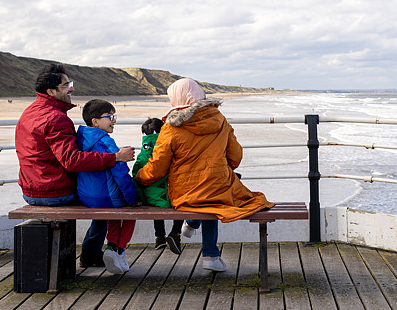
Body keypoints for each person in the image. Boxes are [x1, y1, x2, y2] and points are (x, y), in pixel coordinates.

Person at [135, 78, 273, 272]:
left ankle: (192, 224)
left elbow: (157, 168)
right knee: (214, 197)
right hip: (216, 187)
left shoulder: (170, 128)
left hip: (184, 193)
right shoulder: (220, 120)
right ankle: (210, 254)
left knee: (206, 198)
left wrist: (139, 177)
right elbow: (235, 158)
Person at [15, 64, 134, 268]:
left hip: (30, 189)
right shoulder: (56, 118)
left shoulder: (29, 113)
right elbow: (72, 161)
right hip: (54, 192)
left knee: (100, 194)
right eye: (66, 85)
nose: (71, 89)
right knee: (104, 198)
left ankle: (92, 252)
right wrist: (115, 158)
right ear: (51, 91)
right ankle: (92, 252)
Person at [76, 99, 139, 274]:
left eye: (114, 116)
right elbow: (120, 173)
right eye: (109, 117)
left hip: (86, 197)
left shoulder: (80, 139)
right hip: (106, 198)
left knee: (114, 209)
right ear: (95, 121)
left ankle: (113, 249)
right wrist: (133, 199)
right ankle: (117, 248)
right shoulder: (106, 142)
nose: (114, 120)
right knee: (129, 213)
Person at [132, 117, 183, 254]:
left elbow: (136, 179)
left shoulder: (142, 156)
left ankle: (159, 237)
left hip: (150, 200)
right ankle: (176, 232)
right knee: (182, 200)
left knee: (155, 201)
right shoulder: (169, 152)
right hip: (171, 198)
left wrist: (142, 199)